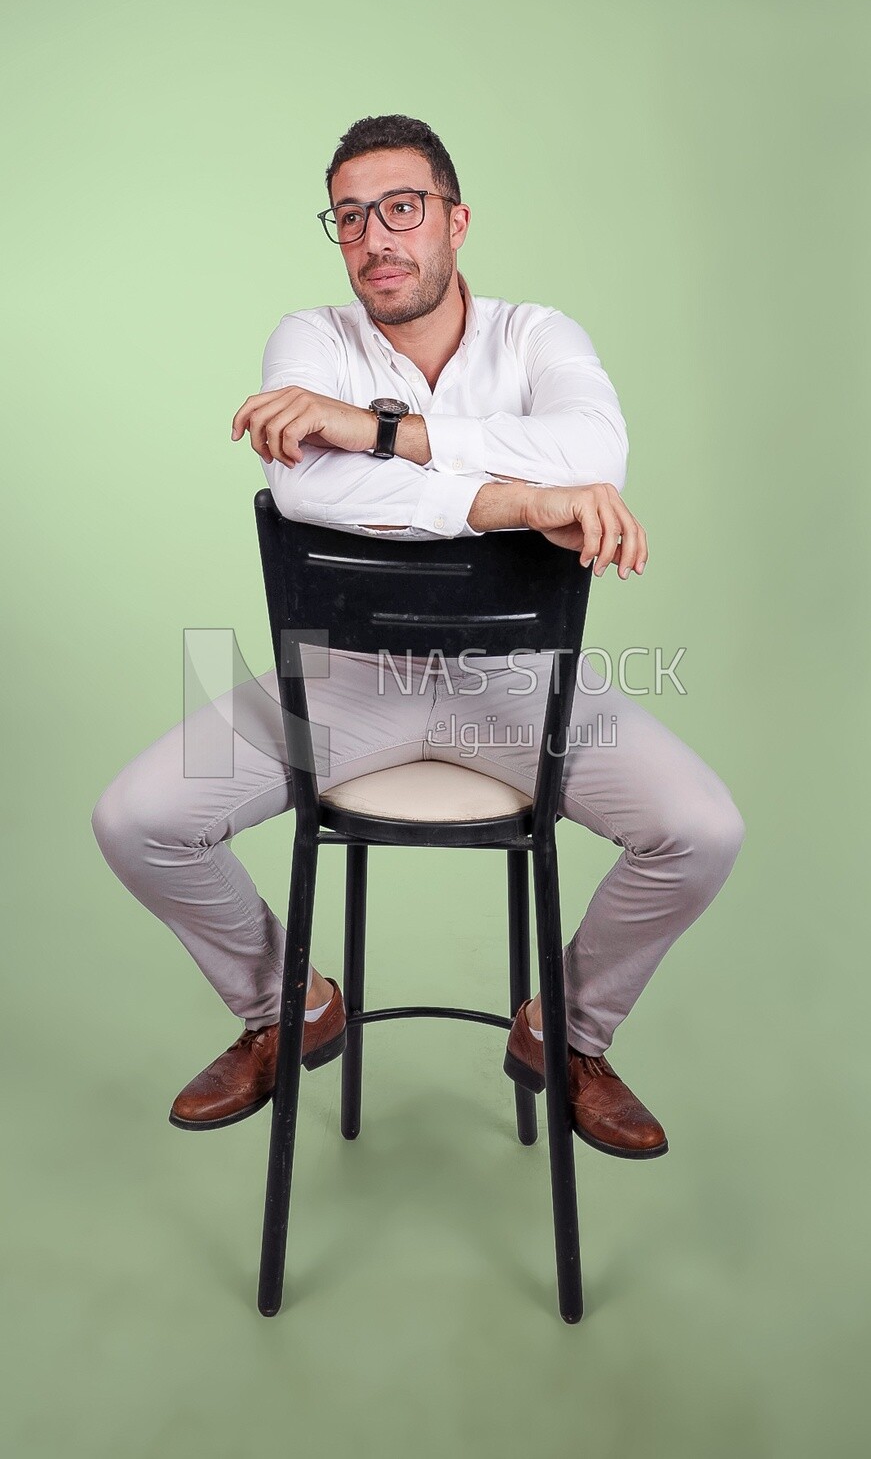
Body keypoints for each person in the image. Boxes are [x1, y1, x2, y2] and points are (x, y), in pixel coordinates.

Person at [91, 114, 745, 1158]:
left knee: (700, 833)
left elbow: (592, 451)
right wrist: (516, 503)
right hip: (340, 684)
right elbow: (310, 490)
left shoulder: (540, 335)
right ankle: (285, 1005)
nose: (376, 238)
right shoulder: (307, 341)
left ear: (455, 220)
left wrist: (384, 430)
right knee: (136, 819)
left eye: (401, 209)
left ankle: (567, 1030)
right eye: (350, 218)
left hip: (521, 686)